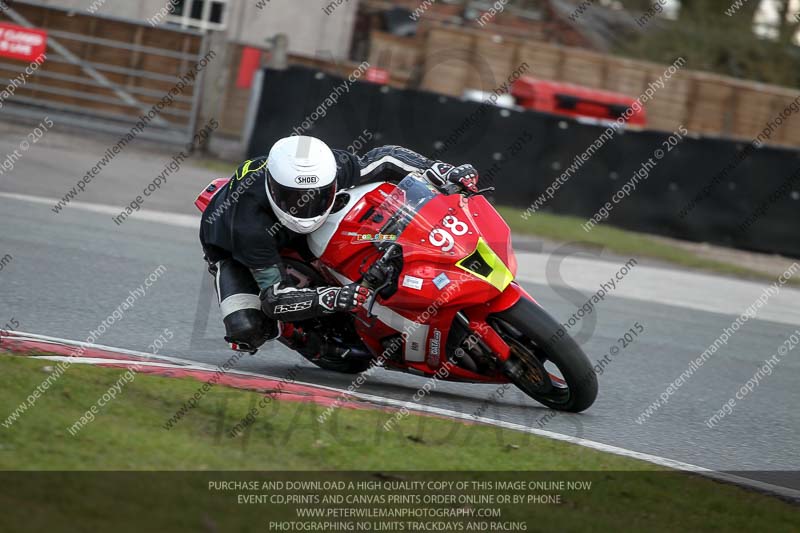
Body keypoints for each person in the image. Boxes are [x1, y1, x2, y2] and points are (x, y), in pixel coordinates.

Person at [199, 135, 479, 353]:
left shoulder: (332, 167)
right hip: (232, 247)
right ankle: (295, 334)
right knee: (247, 329)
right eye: (294, 199)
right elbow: (275, 297)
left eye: (316, 195)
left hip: (294, 222)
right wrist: (332, 298)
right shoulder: (247, 228)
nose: (306, 206)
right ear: (274, 189)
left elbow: (386, 159)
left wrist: (440, 170)